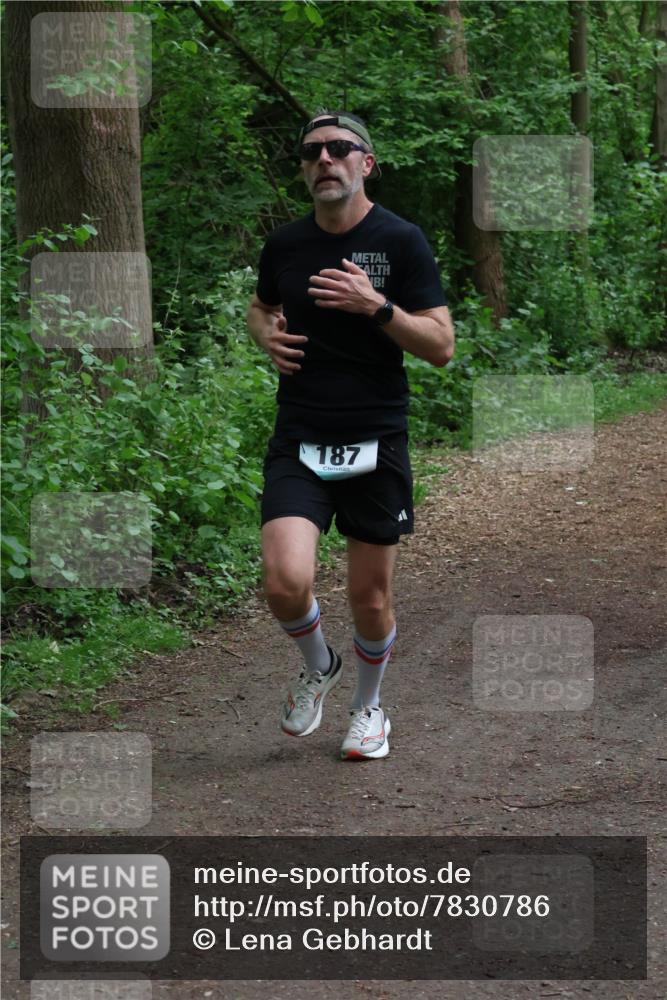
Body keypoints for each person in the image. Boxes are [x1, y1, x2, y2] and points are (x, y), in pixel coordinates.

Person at [246, 108, 454, 760]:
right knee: (284, 581)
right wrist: (265, 335)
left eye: (339, 148)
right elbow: (261, 306)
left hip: (375, 436)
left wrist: (378, 307)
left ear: (367, 163)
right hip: (300, 433)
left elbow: (441, 345)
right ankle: (320, 665)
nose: (324, 160)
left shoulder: (401, 240)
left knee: (369, 596)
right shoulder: (285, 244)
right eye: (311, 152)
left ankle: (369, 708)